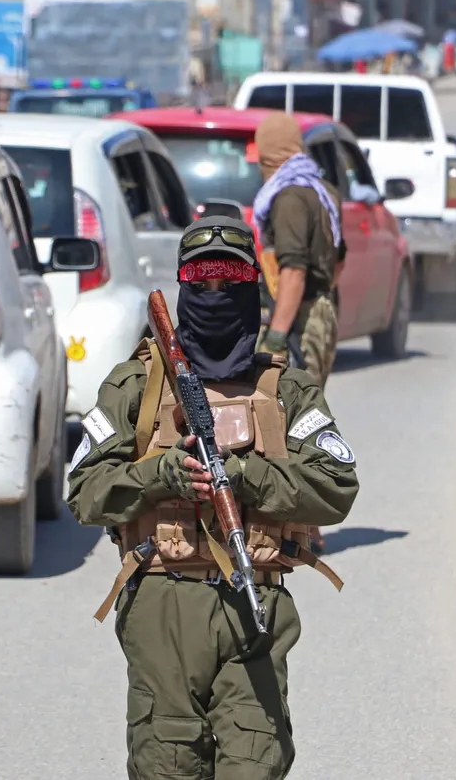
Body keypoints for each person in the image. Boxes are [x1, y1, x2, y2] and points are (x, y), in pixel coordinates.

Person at [67, 215, 359, 780]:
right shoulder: (136, 387)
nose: (216, 298)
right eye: (201, 285)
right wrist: (160, 476)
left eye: (231, 284)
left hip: (257, 607)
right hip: (161, 607)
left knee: (256, 764)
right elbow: (84, 491)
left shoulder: (287, 392)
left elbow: (336, 488)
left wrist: (246, 474)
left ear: (255, 289)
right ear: (181, 290)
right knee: (166, 765)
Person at [251, 112, 342, 388]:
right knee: (307, 410)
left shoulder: (289, 197)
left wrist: (277, 336)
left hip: (296, 323)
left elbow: (293, 271)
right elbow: (339, 262)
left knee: (287, 414)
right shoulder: (323, 190)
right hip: (319, 313)